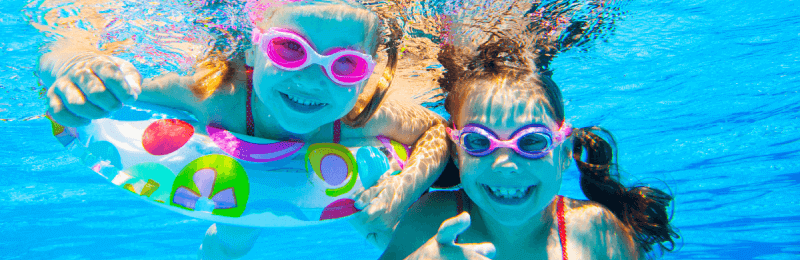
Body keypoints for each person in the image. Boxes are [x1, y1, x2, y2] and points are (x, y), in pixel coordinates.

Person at [37, 0, 449, 258]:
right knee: (231, 243)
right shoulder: (218, 95)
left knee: (383, 231)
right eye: (289, 49)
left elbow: (434, 131)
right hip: (251, 179)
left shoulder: (367, 114)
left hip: (349, 182)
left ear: (367, 76)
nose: (311, 80)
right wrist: (76, 70)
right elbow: (115, 83)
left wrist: (405, 187)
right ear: (253, 48)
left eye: (345, 64)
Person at [379, 34, 680, 260]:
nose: (505, 163)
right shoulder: (430, 221)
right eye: (479, 142)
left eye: (532, 141)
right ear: (457, 154)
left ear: (563, 153)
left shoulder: (595, 231)